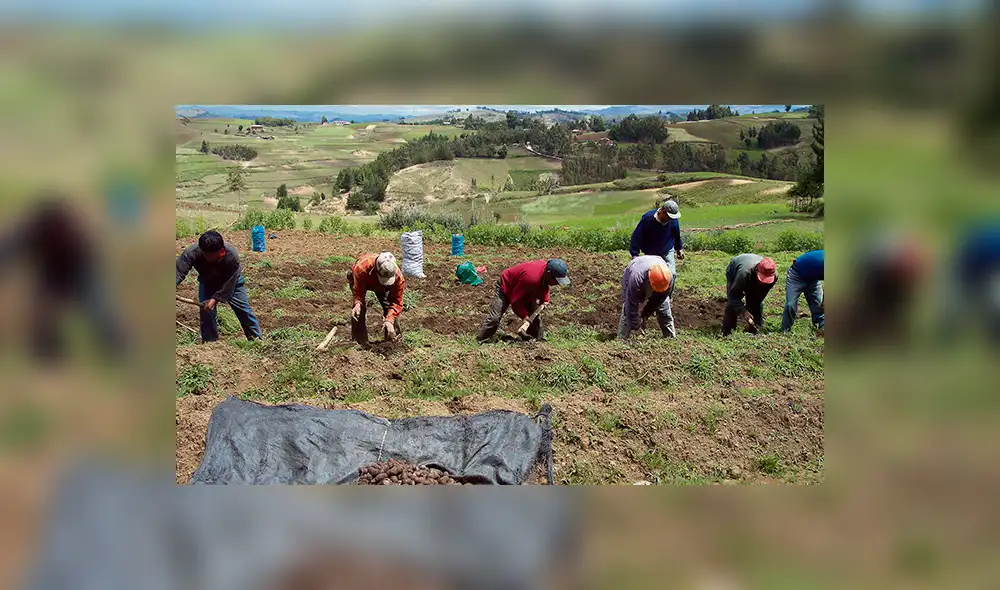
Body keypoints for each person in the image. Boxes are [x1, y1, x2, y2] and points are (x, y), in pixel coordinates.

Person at [176, 230, 261, 343]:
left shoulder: (231, 255)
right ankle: (210, 342)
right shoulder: (192, 252)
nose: (209, 258)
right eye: (206, 255)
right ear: (202, 251)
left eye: (213, 256)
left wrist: (215, 299)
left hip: (231, 283)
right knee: (206, 312)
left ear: (221, 251)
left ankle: (256, 340)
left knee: (244, 311)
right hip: (208, 283)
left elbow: (230, 284)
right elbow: (177, 272)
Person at [476, 259, 570, 343]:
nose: (558, 283)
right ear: (549, 273)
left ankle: (535, 340)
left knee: (534, 319)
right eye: (557, 280)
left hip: (524, 287)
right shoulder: (531, 278)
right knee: (495, 317)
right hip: (506, 286)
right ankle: (482, 340)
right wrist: (524, 316)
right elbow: (516, 301)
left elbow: (544, 285)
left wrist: (544, 299)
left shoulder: (545, 272)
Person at [348, 252, 404, 346]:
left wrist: (389, 320)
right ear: (376, 270)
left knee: (389, 307)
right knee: (358, 310)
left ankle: (393, 339)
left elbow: (396, 301)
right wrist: (357, 303)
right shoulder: (361, 269)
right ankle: (359, 341)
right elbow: (358, 291)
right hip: (363, 279)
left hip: (381, 283)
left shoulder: (398, 277)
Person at [629, 197, 684, 286]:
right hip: (651, 253)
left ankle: (667, 297)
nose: (670, 219)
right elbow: (637, 236)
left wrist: (679, 248)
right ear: (662, 211)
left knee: (671, 274)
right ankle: (650, 295)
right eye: (669, 217)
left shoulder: (673, 220)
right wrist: (635, 254)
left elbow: (676, 234)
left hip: (667, 250)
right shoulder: (648, 218)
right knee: (651, 276)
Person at [617, 256, 675, 339]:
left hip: (656, 263)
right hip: (634, 268)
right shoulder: (636, 279)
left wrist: (645, 314)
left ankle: (670, 338)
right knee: (627, 311)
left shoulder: (668, 278)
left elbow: (659, 300)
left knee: (664, 308)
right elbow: (631, 304)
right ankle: (621, 339)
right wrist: (636, 326)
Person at [723, 254, 777, 336]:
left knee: (756, 303)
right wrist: (744, 312)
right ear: (756, 271)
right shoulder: (743, 273)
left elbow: (759, 298)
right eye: (761, 279)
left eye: (765, 281)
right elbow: (733, 297)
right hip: (735, 269)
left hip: (749, 271)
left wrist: (751, 308)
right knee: (732, 304)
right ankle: (727, 331)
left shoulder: (774, 276)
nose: (762, 282)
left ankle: (757, 328)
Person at [781, 249, 824, 332]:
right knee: (790, 305)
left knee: (818, 305)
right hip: (796, 275)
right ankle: (785, 330)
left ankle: (822, 328)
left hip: (813, 279)